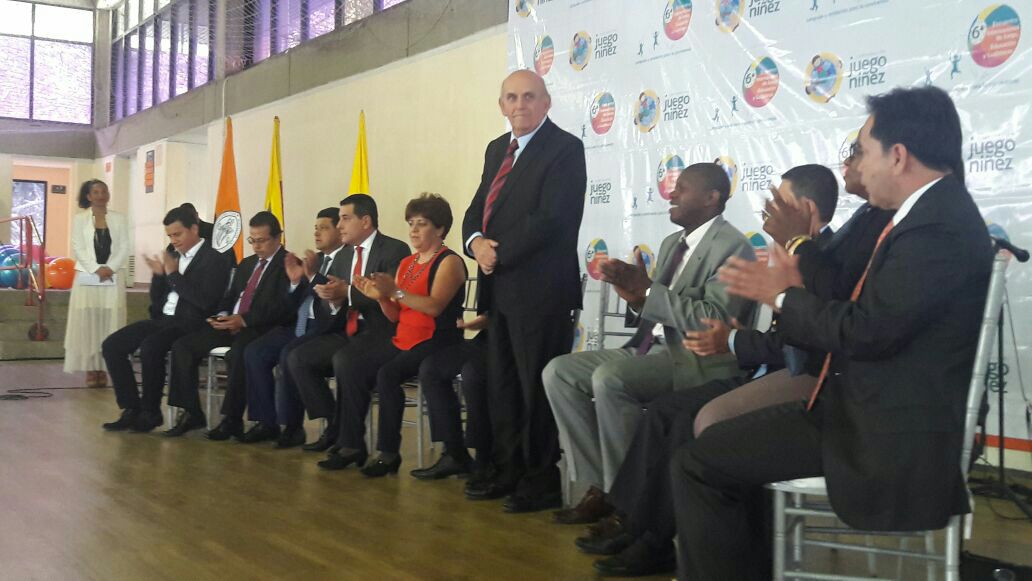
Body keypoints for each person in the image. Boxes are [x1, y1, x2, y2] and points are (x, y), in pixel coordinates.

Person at [671, 85, 993, 580]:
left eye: (863, 150)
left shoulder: (937, 227)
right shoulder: (928, 214)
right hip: (858, 408)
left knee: (697, 465)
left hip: (884, 434)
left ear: (898, 156)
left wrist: (783, 296)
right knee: (704, 450)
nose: (858, 163)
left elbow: (866, 331)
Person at [574, 164, 851, 577]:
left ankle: (651, 538)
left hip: (793, 378)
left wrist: (733, 341)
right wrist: (641, 295)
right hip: (756, 365)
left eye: (779, 201)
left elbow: (801, 344)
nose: (767, 210)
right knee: (664, 414)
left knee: (686, 418)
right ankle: (637, 525)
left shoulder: (823, 260)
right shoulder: (795, 254)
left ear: (806, 209)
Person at [542, 162, 756, 525]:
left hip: (692, 357)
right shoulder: (672, 243)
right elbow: (657, 306)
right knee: (558, 372)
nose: (671, 193)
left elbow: (713, 318)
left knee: (611, 379)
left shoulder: (734, 247)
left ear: (711, 197)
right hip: (645, 347)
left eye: (682, 187)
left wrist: (648, 292)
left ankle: (630, 500)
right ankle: (602, 486)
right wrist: (636, 297)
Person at [461, 69, 587, 513]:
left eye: (530, 97)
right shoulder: (497, 148)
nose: (520, 105)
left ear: (546, 102)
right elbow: (478, 208)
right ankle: (508, 468)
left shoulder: (565, 148)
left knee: (536, 388)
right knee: (504, 386)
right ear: (501, 105)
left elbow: (551, 219)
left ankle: (541, 478)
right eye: (512, 97)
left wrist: (496, 254)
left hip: (542, 292)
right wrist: (474, 242)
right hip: (500, 292)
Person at [321, 193, 467, 476]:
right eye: (411, 223)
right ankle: (351, 444)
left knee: (387, 375)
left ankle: (388, 453)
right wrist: (380, 297)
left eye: (422, 224)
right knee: (353, 363)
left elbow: (435, 307)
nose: (413, 230)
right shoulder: (408, 263)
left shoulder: (449, 261)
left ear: (440, 229)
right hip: (405, 336)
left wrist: (395, 292)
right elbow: (396, 316)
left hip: (437, 338)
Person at [288, 194, 409, 453]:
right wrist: (330, 298)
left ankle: (351, 445)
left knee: (347, 361)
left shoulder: (394, 250)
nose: (340, 225)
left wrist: (347, 293)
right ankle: (336, 423)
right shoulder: (343, 256)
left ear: (365, 221)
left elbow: (387, 294)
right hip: (349, 329)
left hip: (383, 330)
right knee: (298, 358)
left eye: (345, 219)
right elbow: (334, 306)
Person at [164, 211, 294, 439]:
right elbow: (230, 295)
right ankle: (191, 411)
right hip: (230, 323)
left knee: (238, 354)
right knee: (183, 346)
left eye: (262, 240)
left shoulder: (288, 264)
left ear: (278, 237)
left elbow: (281, 307)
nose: (256, 246)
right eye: (252, 240)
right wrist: (222, 315)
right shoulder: (247, 263)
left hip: (260, 328)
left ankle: (232, 419)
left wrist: (243, 320)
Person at [100, 207, 230, 432]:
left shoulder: (214, 258)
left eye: (178, 234)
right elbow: (158, 299)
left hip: (192, 323)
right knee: (112, 345)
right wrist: (159, 276)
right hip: (165, 319)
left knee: (151, 346)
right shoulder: (173, 254)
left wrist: (173, 275)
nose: (174, 240)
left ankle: (151, 412)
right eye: (170, 236)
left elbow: (205, 302)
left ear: (194, 229)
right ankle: (131, 408)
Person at [239, 207, 344, 447]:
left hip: (323, 327)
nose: (317, 233)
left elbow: (331, 298)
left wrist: (312, 275)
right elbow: (292, 304)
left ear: (340, 231)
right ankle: (267, 422)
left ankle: (295, 426)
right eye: (315, 228)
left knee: (290, 355)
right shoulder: (314, 260)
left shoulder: (346, 259)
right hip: (298, 323)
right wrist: (296, 282)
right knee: (254, 352)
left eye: (324, 228)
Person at [409, 311, 491, 480]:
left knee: (472, 375)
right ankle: (454, 453)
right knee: (431, 369)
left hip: (500, 338)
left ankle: (485, 458)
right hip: (472, 338)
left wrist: (490, 318)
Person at [65, 180, 130, 388]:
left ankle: (104, 368)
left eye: (104, 191)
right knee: (88, 321)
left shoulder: (119, 218)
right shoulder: (80, 219)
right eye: (96, 192)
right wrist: (96, 269)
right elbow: (78, 247)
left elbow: (124, 246)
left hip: (112, 275)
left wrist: (110, 267)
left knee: (109, 321)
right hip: (88, 276)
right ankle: (91, 368)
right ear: (88, 196)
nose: (101, 195)